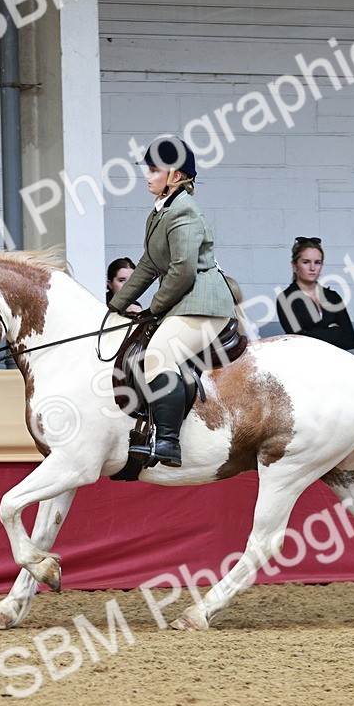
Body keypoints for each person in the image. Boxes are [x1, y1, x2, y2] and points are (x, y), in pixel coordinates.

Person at [107, 136, 237, 467]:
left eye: (154, 169)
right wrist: (115, 306)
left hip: (203, 303)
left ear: (175, 176)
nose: (147, 175)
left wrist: (154, 308)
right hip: (184, 301)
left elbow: (182, 270)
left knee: (158, 355)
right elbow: (148, 265)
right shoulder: (160, 213)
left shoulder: (185, 212)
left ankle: (168, 441)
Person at [275, 236, 354, 351]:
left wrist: (313, 333)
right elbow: (299, 341)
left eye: (317, 262)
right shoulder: (286, 299)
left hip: (337, 360)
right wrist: (335, 331)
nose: (312, 268)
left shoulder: (332, 297)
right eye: (306, 262)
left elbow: (349, 340)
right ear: (294, 265)